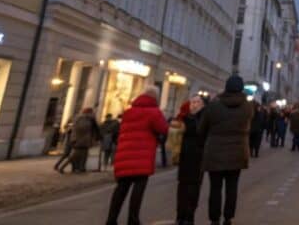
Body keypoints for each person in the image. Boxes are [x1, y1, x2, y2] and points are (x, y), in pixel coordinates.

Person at [106, 87, 168, 225]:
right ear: (155, 98)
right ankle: (133, 220)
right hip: (142, 157)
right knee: (137, 191)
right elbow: (163, 128)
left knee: (120, 190)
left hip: (125, 155)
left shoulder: (128, 112)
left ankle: (111, 219)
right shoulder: (154, 112)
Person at [200, 75, 253, 225]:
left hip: (215, 152)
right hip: (237, 152)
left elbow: (202, 128)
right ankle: (228, 218)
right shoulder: (247, 107)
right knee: (232, 187)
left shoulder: (214, 106)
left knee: (215, 188)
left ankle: (214, 219)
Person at [175, 96, 206, 225]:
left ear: (203, 105)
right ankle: (180, 215)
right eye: (192, 102)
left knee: (194, 187)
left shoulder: (204, 118)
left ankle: (189, 215)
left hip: (198, 157)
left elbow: (200, 131)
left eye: (198, 102)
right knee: (182, 186)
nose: (194, 105)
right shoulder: (184, 118)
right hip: (185, 156)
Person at [70, 107, 101, 173]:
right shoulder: (81, 119)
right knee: (75, 155)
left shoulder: (90, 120)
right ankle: (75, 168)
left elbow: (96, 129)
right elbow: (78, 129)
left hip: (85, 140)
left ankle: (81, 168)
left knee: (83, 155)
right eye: (91, 112)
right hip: (79, 140)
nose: (92, 114)